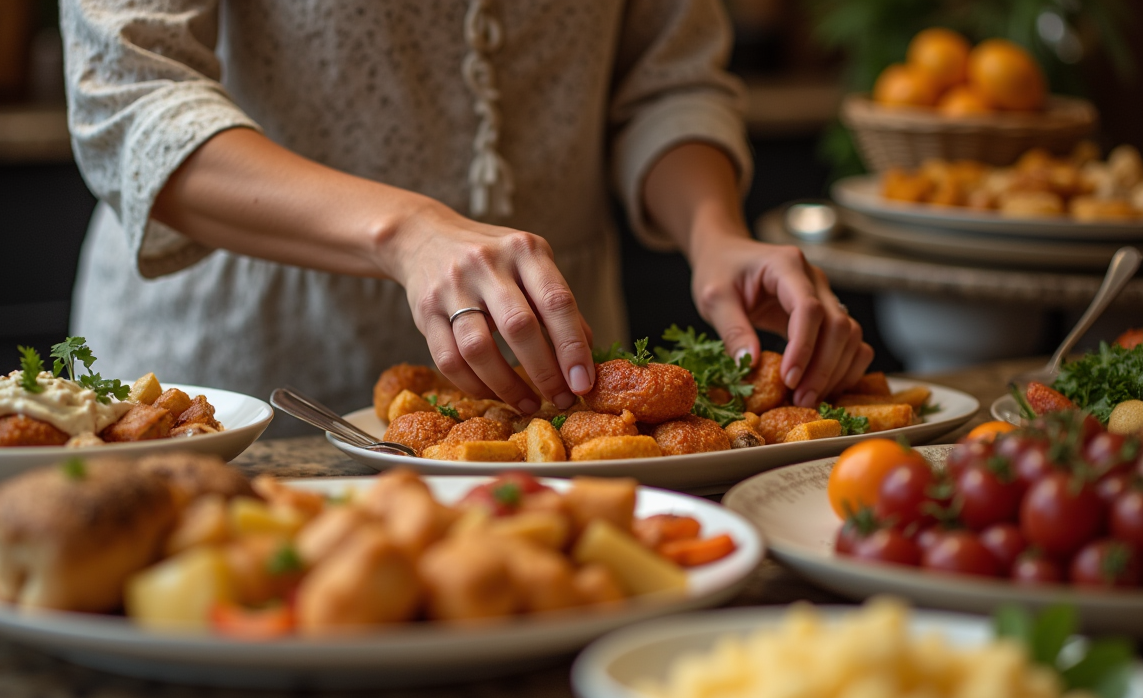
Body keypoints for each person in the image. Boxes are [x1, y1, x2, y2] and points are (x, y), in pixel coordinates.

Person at [61, 0, 872, 433]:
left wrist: (714, 233)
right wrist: (406, 232)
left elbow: (668, 79)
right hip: (235, 380)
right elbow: (130, 100)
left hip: (551, 393)